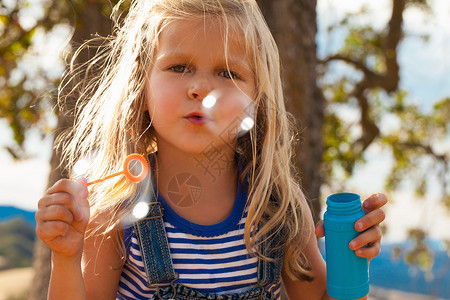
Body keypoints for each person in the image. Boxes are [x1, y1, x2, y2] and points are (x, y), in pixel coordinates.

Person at [35, 0, 387, 299]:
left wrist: (351, 256)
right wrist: (66, 257)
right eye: (179, 67)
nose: (201, 88)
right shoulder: (117, 213)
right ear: (140, 90)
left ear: (256, 102)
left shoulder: (276, 205)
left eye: (228, 73)